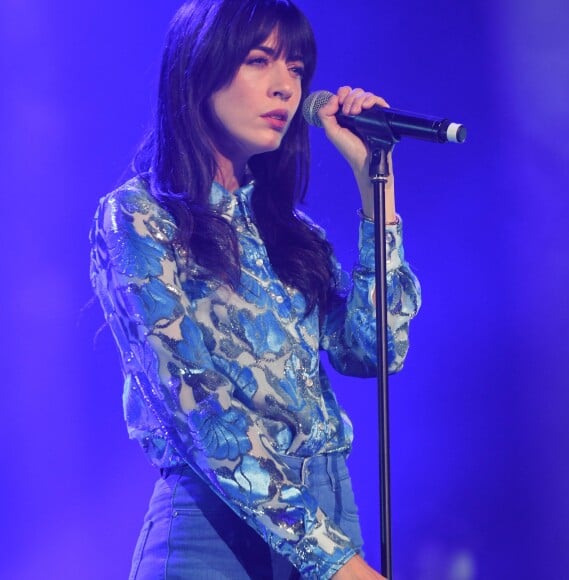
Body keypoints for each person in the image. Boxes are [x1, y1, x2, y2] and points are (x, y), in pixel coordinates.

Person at [89, 0, 421, 578]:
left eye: (295, 68)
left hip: (329, 514)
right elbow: (201, 408)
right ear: (198, 69)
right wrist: (337, 563)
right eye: (259, 60)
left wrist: (376, 188)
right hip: (215, 536)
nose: (285, 88)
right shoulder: (139, 219)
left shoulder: (293, 234)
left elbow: (375, 349)